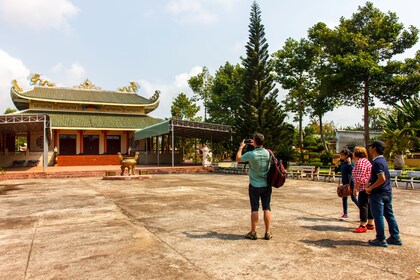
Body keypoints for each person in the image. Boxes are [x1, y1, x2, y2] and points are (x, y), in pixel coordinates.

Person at [366, 140, 403, 247]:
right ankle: (395, 237)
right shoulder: (382, 160)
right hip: (387, 191)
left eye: (371, 147)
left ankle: (380, 238)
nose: (369, 149)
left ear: (374, 148)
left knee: (378, 216)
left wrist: (370, 188)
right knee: (389, 214)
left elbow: (381, 178)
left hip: (378, 193)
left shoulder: (377, 162)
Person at [236, 133, 271, 240]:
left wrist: (241, 147)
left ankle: (253, 232)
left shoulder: (251, 154)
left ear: (254, 142)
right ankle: (267, 232)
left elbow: (238, 158)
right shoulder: (268, 153)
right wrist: (256, 145)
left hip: (254, 185)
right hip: (266, 184)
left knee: (254, 208)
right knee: (267, 208)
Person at [352, 146, 374, 233]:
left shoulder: (360, 162)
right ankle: (370, 223)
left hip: (363, 187)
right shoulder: (366, 161)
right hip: (368, 186)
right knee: (368, 205)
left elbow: (360, 177)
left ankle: (363, 224)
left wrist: (355, 189)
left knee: (363, 205)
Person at [335, 149, 358, 220]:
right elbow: (336, 170)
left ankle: (365, 212)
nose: (340, 156)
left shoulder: (349, 162)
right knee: (344, 197)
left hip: (350, 182)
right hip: (345, 182)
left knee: (353, 198)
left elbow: (353, 170)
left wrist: (350, 163)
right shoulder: (343, 163)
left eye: (341, 155)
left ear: (345, 156)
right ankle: (345, 214)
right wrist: (336, 163)